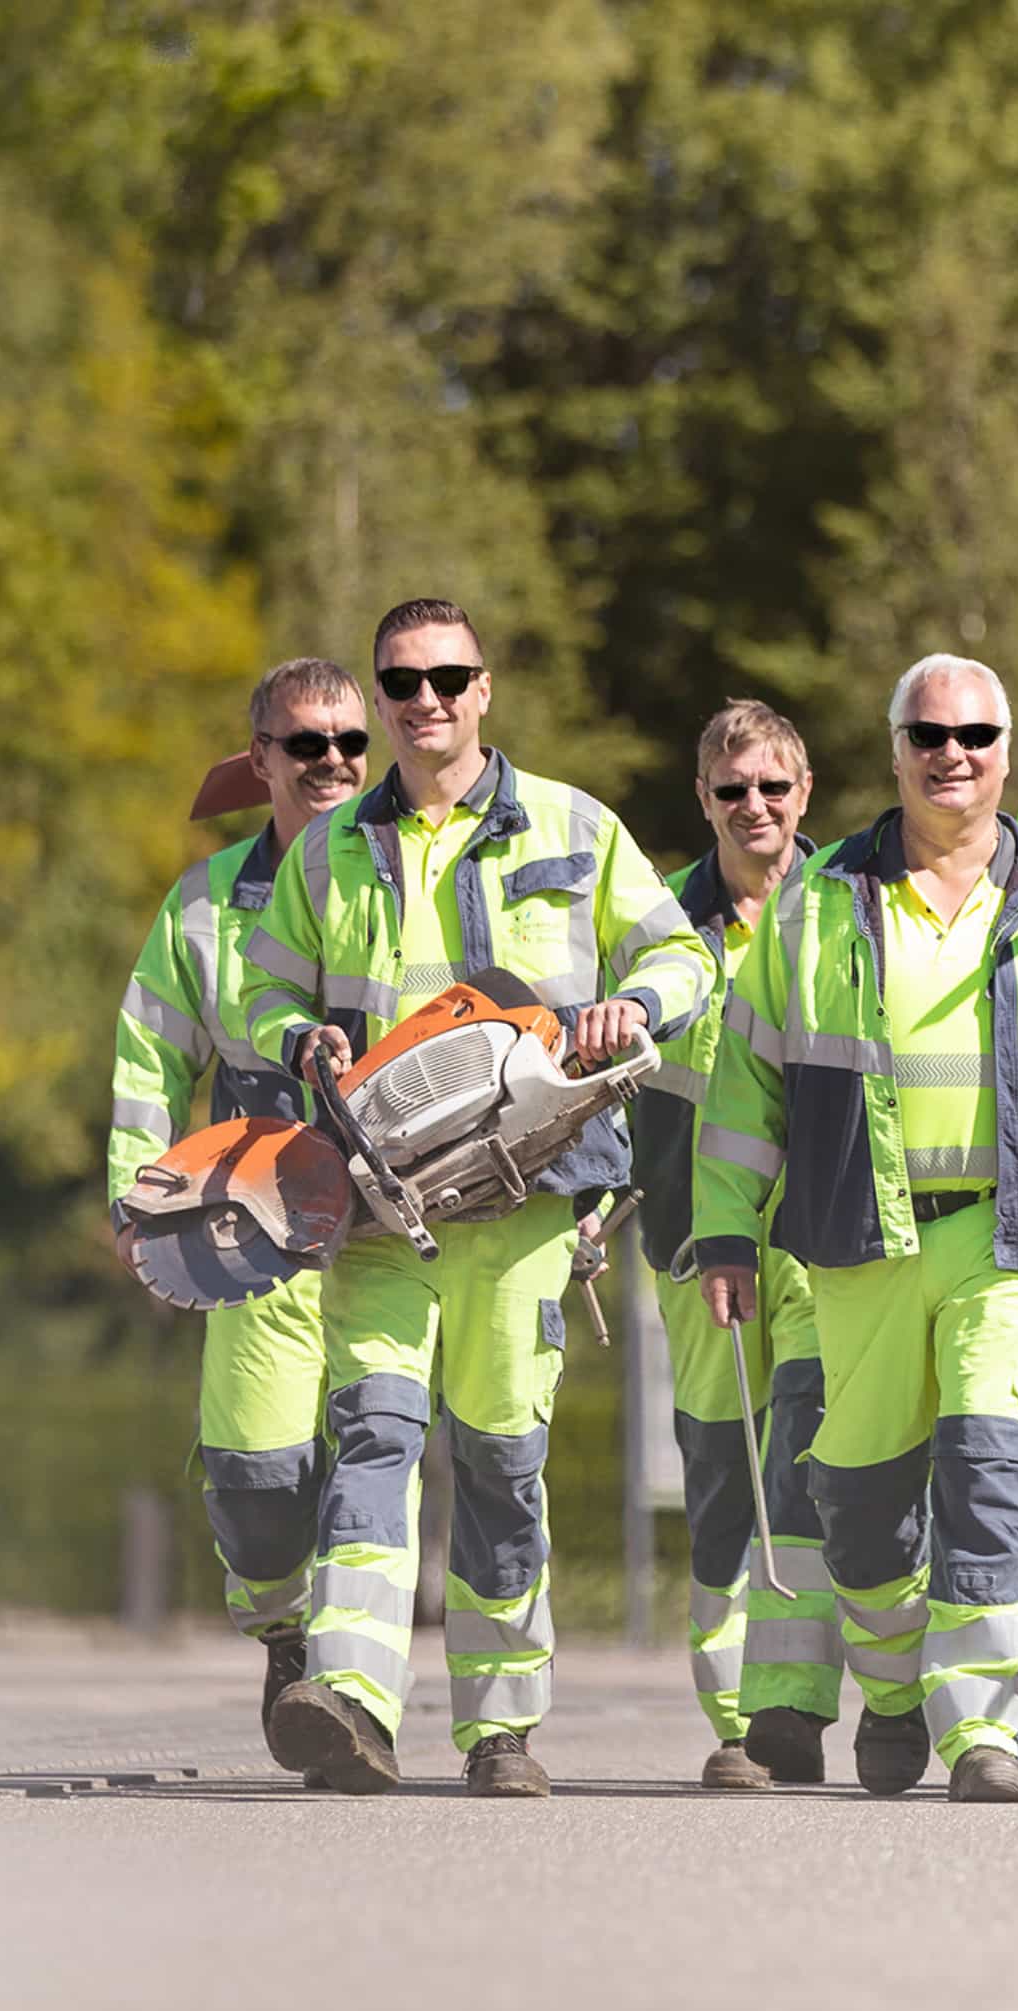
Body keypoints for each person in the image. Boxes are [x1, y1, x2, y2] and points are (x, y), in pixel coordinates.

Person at [691, 654, 1018, 1803]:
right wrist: (724, 1234)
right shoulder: (818, 903)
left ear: (1008, 750)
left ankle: (984, 1732)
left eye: (973, 733)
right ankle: (899, 1686)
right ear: (896, 747)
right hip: (859, 1240)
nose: (950, 753)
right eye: (928, 734)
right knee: (858, 1512)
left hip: (1009, 1242)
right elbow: (744, 1089)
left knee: (994, 1471)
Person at [241, 600, 711, 1797]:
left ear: (484, 687)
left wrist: (635, 1010)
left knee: (502, 1464)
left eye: (448, 675)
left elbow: (681, 957)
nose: (425, 699)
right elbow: (257, 992)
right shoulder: (328, 849)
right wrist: (294, 1035)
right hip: (377, 1209)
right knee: (376, 1437)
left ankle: (500, 1727)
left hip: (525, 1204)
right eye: (402, 680)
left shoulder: (575, 824)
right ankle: (348, 1700)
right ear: (384, 695)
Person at [107, 660, 370, 1756]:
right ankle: (284, 1631)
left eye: (351, 741)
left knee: (380, 1459)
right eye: (303, 744)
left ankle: (356, 1691)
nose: (332, 763)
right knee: (257, 1479)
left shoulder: (414, 883)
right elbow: (148, 1059)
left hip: (405, 1227)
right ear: (259, 758)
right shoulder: (205, 905)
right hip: (252, 1224)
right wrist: (138, 1198)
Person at [630, 699, 836, 1789]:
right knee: (722, 1475)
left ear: (804, 794)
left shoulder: (853, 906)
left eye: (772, 787)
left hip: (825, 1234)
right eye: (731, 791)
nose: (754, 808)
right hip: (693, 1241)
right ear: (702, 800)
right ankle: (734, 1718)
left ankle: (784, 1705)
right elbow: (612, 1091)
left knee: (807, 1452)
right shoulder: (659, 927)